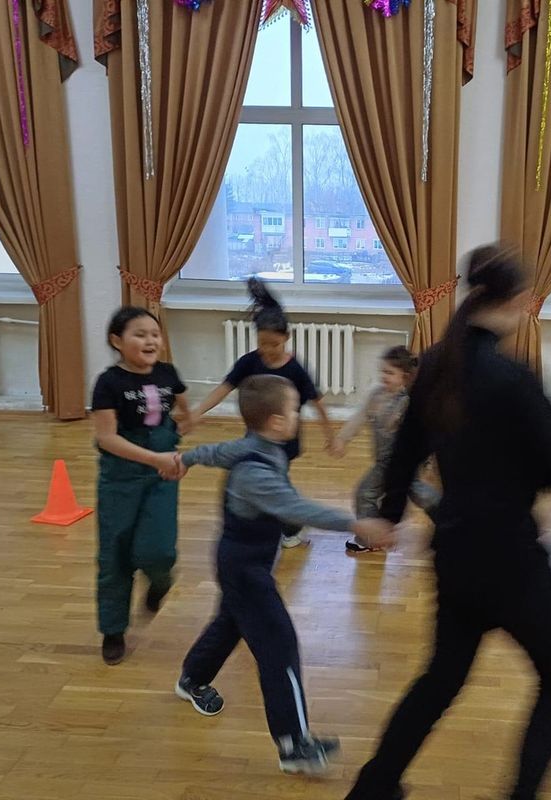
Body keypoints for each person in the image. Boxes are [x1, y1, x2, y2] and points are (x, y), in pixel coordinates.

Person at [343, 245, 551, 800]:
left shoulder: (436, 365)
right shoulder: (514, 380)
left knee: (442, 679)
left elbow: (402, 456)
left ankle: (373, 788)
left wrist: (387, 516)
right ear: (519, 301)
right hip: (511, 562)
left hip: (454, 553)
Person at [173, 375, 390, 775]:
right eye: (294, 410)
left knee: (231, 621)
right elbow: (296, 509)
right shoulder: (255, 474)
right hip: (245, 570)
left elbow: (217, 452)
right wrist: (356, 524)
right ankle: (294, 746)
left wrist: (186, 459)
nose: (297, 415)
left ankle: (192, 678)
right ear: (276, 422)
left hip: (242, 565)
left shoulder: (255, 445)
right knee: (279, 645)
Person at [188, 278, 336, 549]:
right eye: (262, 344)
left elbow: (318, 401)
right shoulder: (249, 362)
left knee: (276, 481)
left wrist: (331, 435)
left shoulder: (295, 370)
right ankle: (278, 519)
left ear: (286, 338)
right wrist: (197, 412)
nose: (267, 350)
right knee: (268, 479)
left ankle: (292, 525)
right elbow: (224, 387)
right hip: (255, 437)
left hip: (285, 440)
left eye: (274, 344)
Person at [91, 306, 187, 666]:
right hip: (120, 476)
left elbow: (181, 405)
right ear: (117, 341)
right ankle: (113, 630)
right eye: (140, 334)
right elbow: (106, 438)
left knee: (159, 550)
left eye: (155, 334)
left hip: (162, 476)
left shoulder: (167, 373)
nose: (150, 341)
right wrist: (154, 457)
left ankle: (160, 582)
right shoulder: (108, 382)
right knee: (115, 554)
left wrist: (181, 429)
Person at [330, 345, 441, 553]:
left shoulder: (408, 402)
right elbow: (360, 416)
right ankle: (448, 517)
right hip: (385, 462)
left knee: (365, 494)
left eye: (390, 373)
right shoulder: (376, 395)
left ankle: (370, 538)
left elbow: (423, 434)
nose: (384, 376)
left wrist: (429, 463)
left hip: (398, 463)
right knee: (420, 493)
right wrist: (342, 439)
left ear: (404, 377)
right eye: (383, 371)